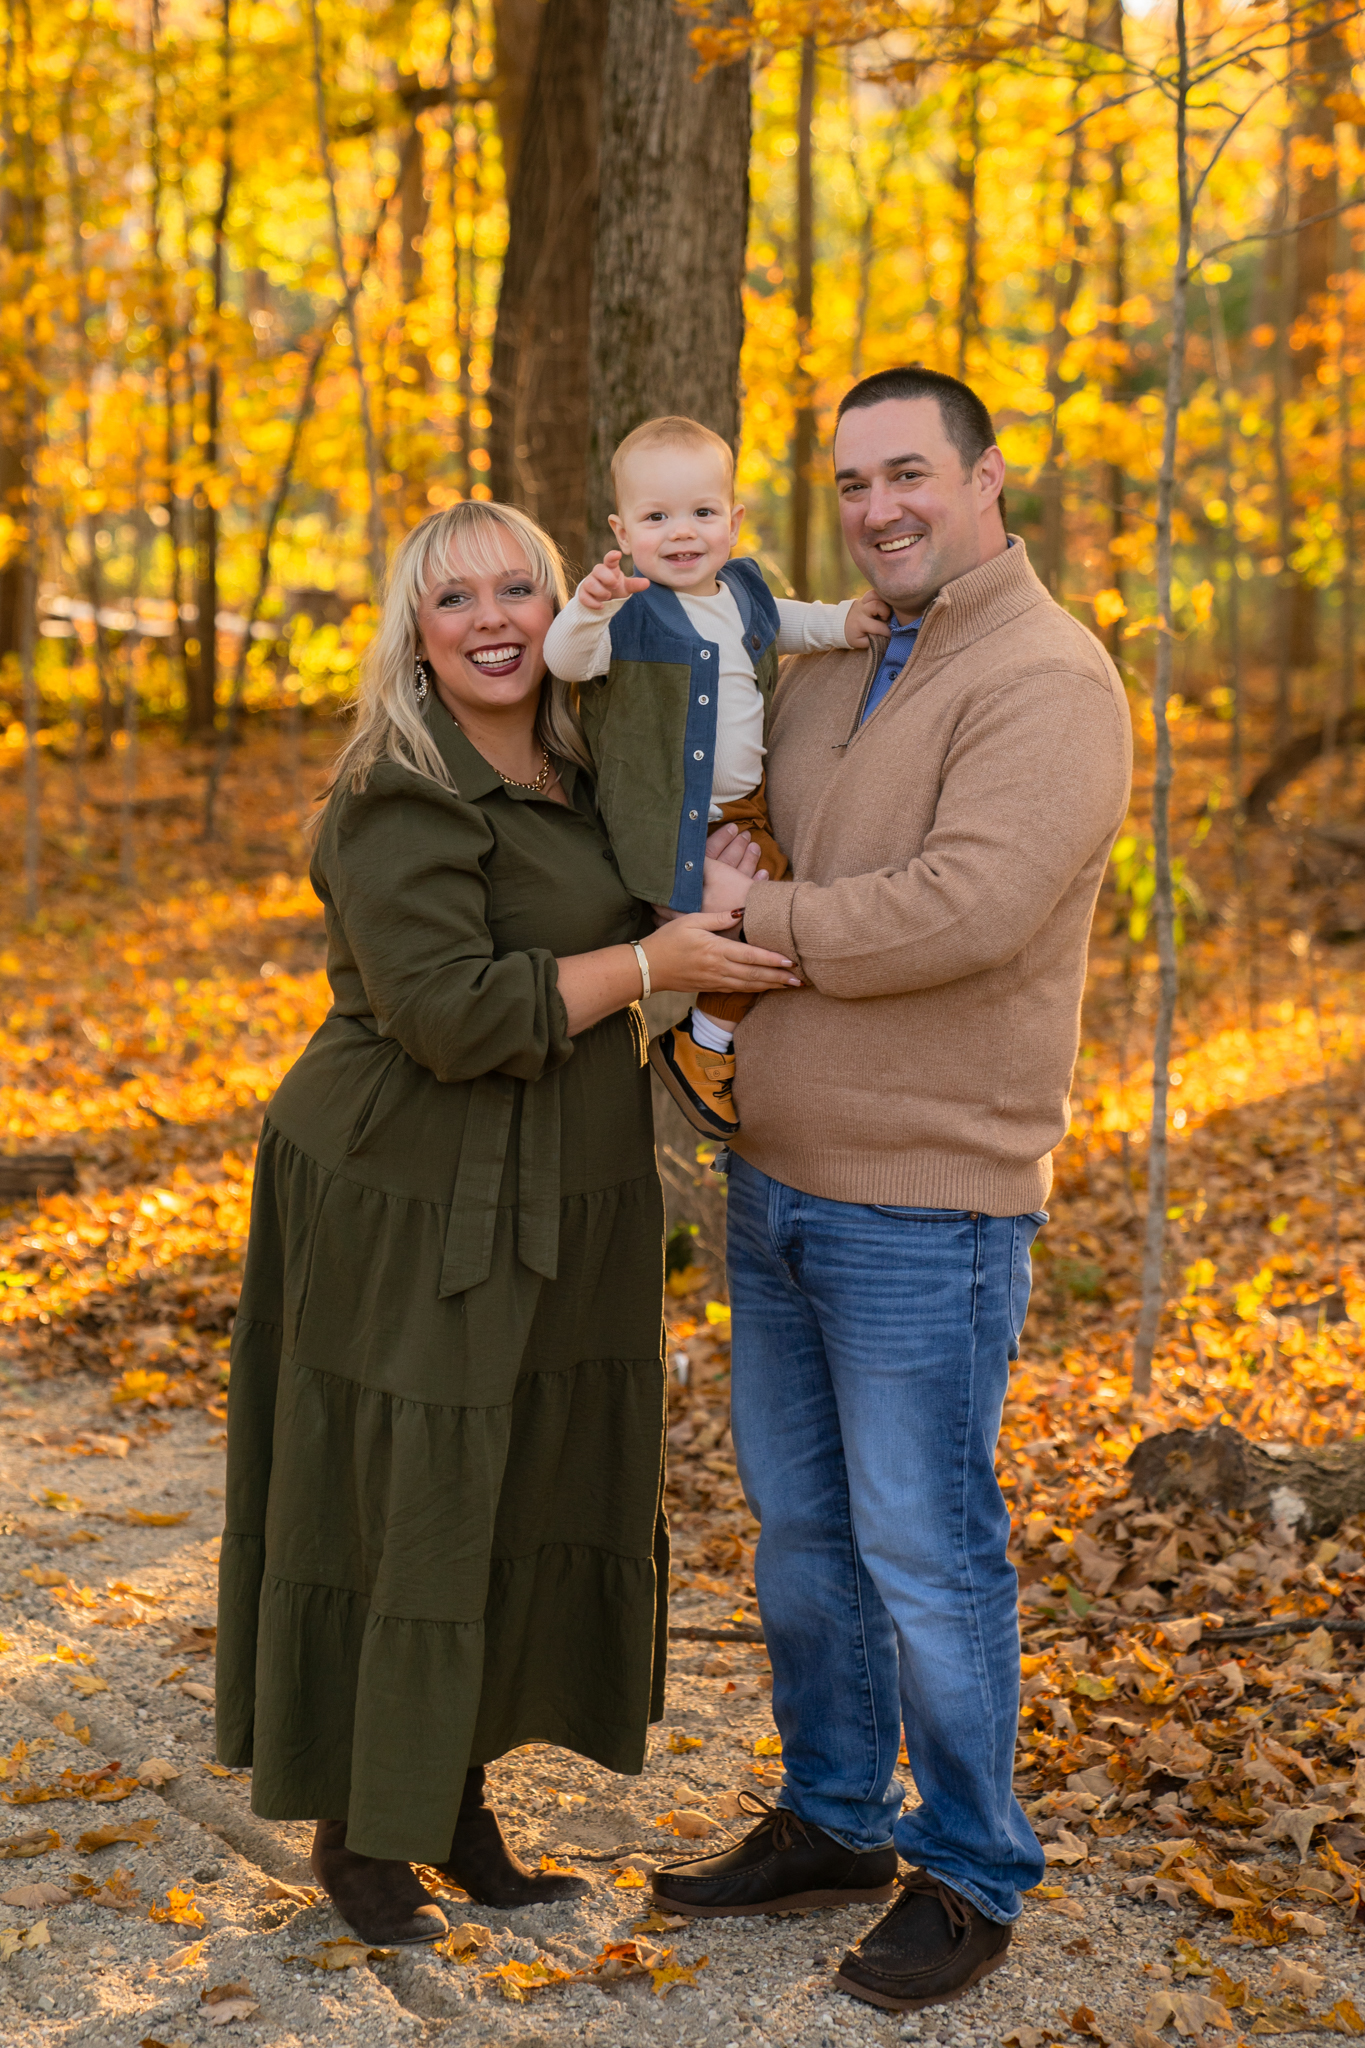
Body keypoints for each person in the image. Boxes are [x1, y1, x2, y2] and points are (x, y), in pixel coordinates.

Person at [215, 500, 800, 1946]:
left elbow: (710, 698)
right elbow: (449, 1011)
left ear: (561, 608)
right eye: (453, 598)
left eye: (518, 592)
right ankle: (360, 1829)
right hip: (409, 1178)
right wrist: (651, 958)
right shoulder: (392, 792)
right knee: (409, 1489)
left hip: (571, 1175)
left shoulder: (587, 761)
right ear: (412, 631)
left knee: (523, 1475)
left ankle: (453, 1799)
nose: (490, 621)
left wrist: (703, 907)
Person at [651, 367, 1133, 2016]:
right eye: (853, 482)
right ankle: (840, 1812)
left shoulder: (1052, 679)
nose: (880, 506)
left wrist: (754, 932)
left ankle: (975, 1866)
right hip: (775, 1175)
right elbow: (758, 832)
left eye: (909, 472)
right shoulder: (840, 655)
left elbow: (962, 911)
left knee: (928, 1548)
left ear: (990, 477)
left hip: (929, 1203)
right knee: (804, 1540)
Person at [544, 413, 887, 1140]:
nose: (681, 532)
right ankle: (704, 1046)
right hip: (663, 816)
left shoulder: (741, 592)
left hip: (742, 809)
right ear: (622, 530)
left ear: (732, 524)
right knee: (757, 924)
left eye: (701, 513)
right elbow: (566, 663)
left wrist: (843, 623)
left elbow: (783, 625)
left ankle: (703, 1037)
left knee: (772, 914)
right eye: (656, 516)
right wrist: (587, 606)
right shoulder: (624, 614)